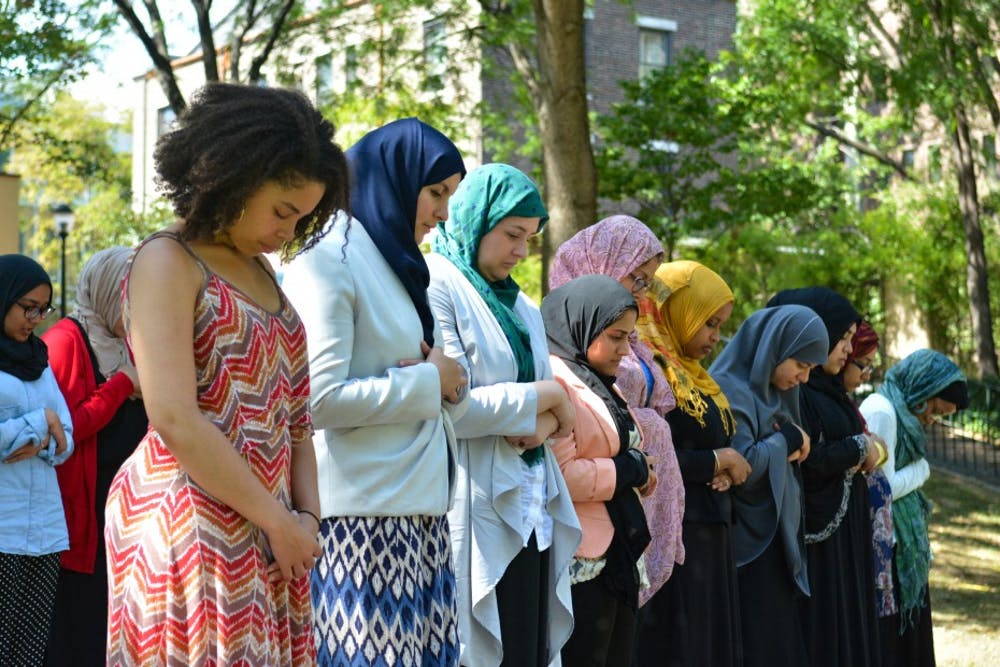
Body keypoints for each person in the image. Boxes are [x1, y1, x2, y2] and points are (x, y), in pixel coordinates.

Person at [105, 83, 349, 665]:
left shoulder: (263, 272)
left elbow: (297, 427)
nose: (289, 231)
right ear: (234, 177)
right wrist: (281, 521)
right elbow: (174, 418)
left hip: (269, 532)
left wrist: (305, 520)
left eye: (304, 218)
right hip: (188, 523)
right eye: (282, 211)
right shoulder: (168, 260)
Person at [282, 117, 468, 666]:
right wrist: (430, 381)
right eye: (436, 192)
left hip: (413, 518)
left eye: (449, 196)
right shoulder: (331, 257)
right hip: (361, 527)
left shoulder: (387, 257)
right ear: (396, 178)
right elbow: (317, 400)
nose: (443, 213)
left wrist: (439, 381)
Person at [425, 162, 581, 666]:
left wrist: (549, 414)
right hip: (474, 498)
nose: (520, 251)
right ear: (476, 219)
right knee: (485, 645)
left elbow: (559, 410)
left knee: (525, 644)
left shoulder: (523, 306)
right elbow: (453, 405)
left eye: (530, 239)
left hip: (533, 505)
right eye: (512, 234)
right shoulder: (437, 284)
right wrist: (545, 399)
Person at [549, 214, 684, 609]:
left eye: (647, 282)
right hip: (588, 537)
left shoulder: (632, 336)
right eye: (635, 278)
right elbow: (566, 467)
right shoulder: (569, 334)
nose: (642, 292)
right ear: (604, 262)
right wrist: (632, 468)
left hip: (628, 515)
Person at [633, 260, 750, 667]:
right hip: (676, 535)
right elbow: (650, 458)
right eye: (709, 323)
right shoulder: (650, 375)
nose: (716, 337)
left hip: (711, 530)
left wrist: (722, 469)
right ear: (677, 313)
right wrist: (717, 461)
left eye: (719, 325)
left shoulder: (695, 375)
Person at [542, 275, 658, 667]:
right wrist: (626, 471)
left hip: (617, 550)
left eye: (628, 338)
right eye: (614, 336)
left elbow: (629, 450)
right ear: (583, 325)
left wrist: (642, 471)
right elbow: (562, 476)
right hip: (580, 557)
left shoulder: (602, 383)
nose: (624, 351)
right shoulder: (556, 379)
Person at [42, 247, 149, 667]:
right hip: (80, 526)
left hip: (122, 522)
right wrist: (121, 384)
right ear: (108, 291)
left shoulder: (128, 343)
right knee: (82, 639)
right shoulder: (66, 341)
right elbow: (64, 433)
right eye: (130, 295)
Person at [709, 305, 829, 667]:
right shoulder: (731, 388)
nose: (804, 378)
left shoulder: (777, 392)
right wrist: (787, 440)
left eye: (811, 369)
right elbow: (743, 465)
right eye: (800, 365)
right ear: (774, 348)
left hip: (777, 540)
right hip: (747, 545)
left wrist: (791, 439)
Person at [766, 287, 881, 667]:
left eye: (850, 338)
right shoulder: (794, 390)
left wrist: (861, 448)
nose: (849, 349)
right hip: (814, 538)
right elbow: (806, 458)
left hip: (843, 532)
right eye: (843, 338)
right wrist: (860, 449)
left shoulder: (830, 390)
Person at [859, 349, 968, 667]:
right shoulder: (883, 411)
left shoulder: (900, 412)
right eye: (935, 409)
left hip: (902, 545)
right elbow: (881, 489)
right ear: (923, 390)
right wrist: (922, 470)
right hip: (885, 549)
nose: (931, 419)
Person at [0, 254, 74, 667]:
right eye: (27, 307)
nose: (36, 318)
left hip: (43, 529)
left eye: (43, 309)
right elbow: (51, 423)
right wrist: (37, 424)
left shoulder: (38, 361)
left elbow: (66, 438)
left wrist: (46, 438)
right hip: (3, 530)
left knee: (28, 653)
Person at [841, 322, 898, 666]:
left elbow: (877, 451)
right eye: (861, 364)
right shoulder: (872, 407)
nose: (865, 373)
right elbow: (870, 452)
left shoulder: (849, 403)